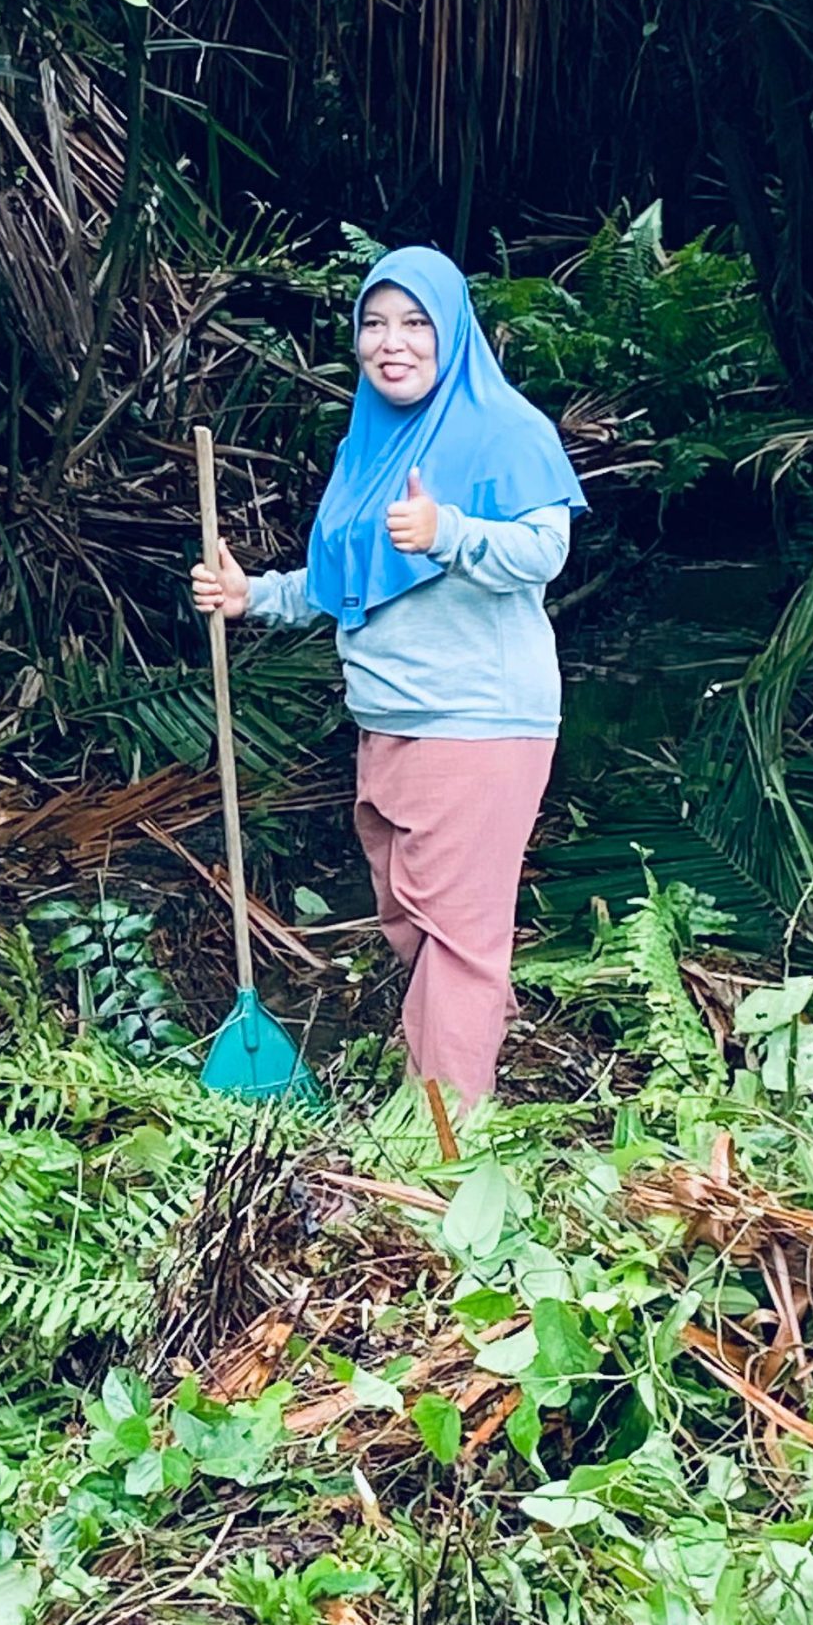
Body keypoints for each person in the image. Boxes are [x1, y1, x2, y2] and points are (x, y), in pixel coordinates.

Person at [191, 246, 586, 1108]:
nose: (391, 342)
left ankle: (442, 1143)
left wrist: (448, 530)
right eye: (374, 323)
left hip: (478, 723)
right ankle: (469, 1064)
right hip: (388, 721)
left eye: (415, 324)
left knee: (455, 939)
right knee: (411, 923)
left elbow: (543, 551)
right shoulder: (367, 446)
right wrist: (249, 593)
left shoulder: (506, 429)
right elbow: (341, 583)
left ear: (453, 334)